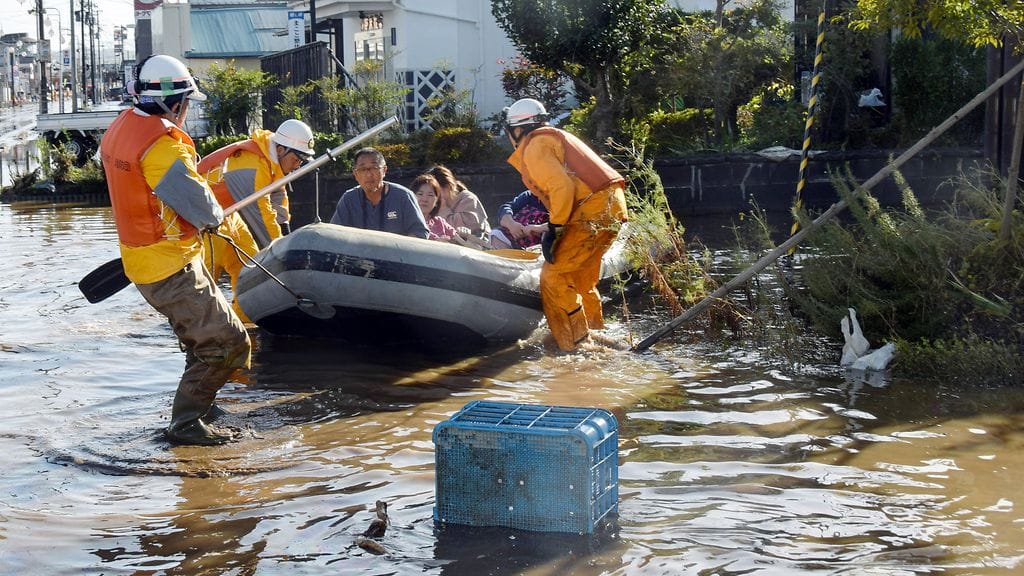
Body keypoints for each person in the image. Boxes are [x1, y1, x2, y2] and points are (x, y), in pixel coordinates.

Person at [99, 54, 251, 445]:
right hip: (171, 267)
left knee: (198, 339)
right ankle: (186, 423)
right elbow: (202, 209)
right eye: (185, 105)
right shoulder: (163, 148)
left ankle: (204, 400)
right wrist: (215, 214)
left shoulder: (121, 128)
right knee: (230, 344)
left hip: (144, 261)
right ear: (176, 104)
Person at [502, 98, 629, 351]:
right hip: (611, 206)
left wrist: (556, 227)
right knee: (581, 277)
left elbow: (562, 186)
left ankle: (577, 344)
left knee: (553, 277)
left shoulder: (535, 145)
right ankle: (596, 332)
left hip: (591, 210)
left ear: (516, 129)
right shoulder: (554, 137)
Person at [197, 119, 315, 322]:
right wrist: (281, 254)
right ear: (280, 150)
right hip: (204, 220)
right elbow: (261, 213)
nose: (298, 165)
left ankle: (243, 320)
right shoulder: (251, 165)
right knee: (206, 277)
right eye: (297, 159)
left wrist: (285, 230)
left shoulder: (271, 157)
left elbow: (278, 194)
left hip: (228, 215)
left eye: (302, 161)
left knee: (251, 267)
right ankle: (196, 325)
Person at [330, 147, 430, 239]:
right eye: (363, 169)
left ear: (384, 170)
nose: (368, 174)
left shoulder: (403, 196)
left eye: (374, 168)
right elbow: (333, 234)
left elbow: (420, 232)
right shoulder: (349, 199)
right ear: (355, 174)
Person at [426, 165, 492, 242]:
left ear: (447, 188)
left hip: (476, 244)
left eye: (435, 190)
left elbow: (462, 229)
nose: (433, 194)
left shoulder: (468, 198)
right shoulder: (432, 202)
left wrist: (443, 209)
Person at [411, 173, 458, 241]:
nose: (425, 199)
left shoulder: (439, 222)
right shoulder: (405, 221)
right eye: (420, 194)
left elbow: (459, 240)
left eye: (430, 195)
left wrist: (465, 234)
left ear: (437, 201)